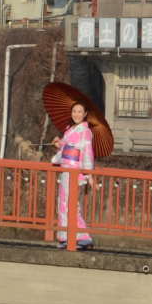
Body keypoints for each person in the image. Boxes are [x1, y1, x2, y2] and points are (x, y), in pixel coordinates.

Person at [52, 100, 95, 251]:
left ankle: (82, 236)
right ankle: (65, 236)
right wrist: (59, 144)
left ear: (85, 114)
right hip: (66, 171)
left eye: (79, 111)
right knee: (63, 203)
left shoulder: (86, 132)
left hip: (76, 171)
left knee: (71, 204)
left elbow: (88, 153)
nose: (76, 114)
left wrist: (88, 173)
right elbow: (65, 148)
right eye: (74, 111)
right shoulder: (69, 130)